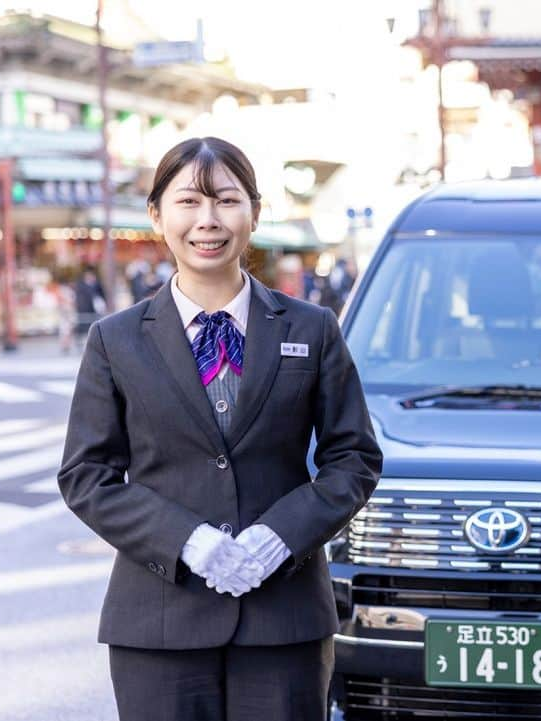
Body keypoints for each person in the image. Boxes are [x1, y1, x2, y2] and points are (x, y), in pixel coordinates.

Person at [57, 136, 382, 721]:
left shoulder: (312, 328)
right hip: (158, 621)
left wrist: (281, 536)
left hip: (284, 621)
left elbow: (354, 458)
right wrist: (188, 540)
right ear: (157, 215)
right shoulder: (116, 339)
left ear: (254, 212)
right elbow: (87, 475)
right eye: (188, 203)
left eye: (226, 201)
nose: (207, 221)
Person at [72, 266, 105, 343]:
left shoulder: (97, 284)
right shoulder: (80, 285)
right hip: (84, 309)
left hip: (95, 310)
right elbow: (79, 298)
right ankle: (81, 342)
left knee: (94, 326)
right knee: (82, 327)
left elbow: (102, 295)